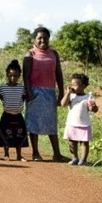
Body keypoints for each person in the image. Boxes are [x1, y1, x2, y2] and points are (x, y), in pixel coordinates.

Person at [23, 27, 67, 162]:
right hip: (35, 92)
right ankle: (35, 153)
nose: (43, 40)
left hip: (49, 92)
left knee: (51, 123)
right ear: (34, 40)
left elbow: (58, 74)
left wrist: (61, 93)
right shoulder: (30, 54)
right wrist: (29, 93)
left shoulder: (54, 53)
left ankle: (57, 154)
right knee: (33, 123)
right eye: (39, 38)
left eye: (45, 38)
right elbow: (25, 76)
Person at [0, 60, 29, 161]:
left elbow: (24, 97)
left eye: (16, 76)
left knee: (19, 135)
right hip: (7, 115)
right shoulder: (3, 87)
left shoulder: (22, 88)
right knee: (6, 134)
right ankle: (6, 154)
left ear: (19, 76)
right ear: (7, 74)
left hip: (18, 115)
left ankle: (19, 155)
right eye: (11, 75)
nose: (13, 78)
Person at [60, 73, 98, 166]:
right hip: (72, 123)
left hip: (84, 124)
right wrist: (68, 93)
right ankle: (74, 158)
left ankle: (83, 160)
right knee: (72, 142)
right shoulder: (72, 96)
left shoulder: (88, 96)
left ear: (84, 86)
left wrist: (93, 108)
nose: (72, 87)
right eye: (71, 84)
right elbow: (63, 104)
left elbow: (93, 109)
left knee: (84, 142)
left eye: (75, 85)